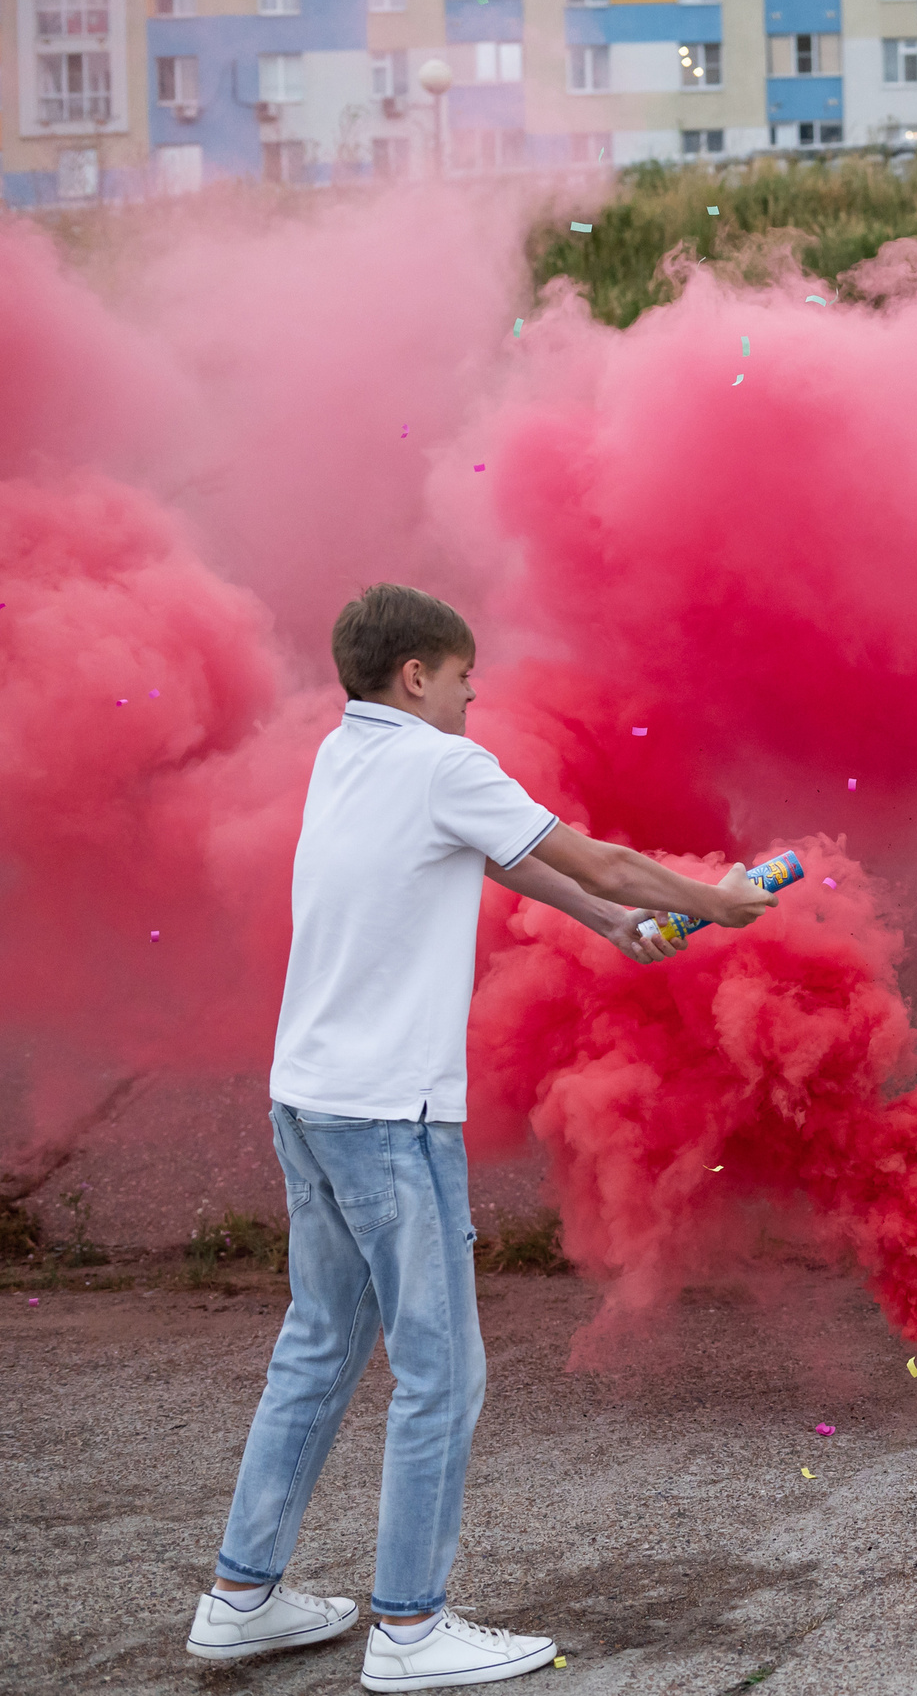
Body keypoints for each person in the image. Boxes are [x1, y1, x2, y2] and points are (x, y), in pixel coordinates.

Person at [186, 584, 775, 1689]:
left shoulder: (347, 757)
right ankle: (409, 1628)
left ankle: (241, 1596)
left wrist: (608, 924)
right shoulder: (441, 762)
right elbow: (590, 854)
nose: (474, 691)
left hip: (308, 1102)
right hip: (388, 1120)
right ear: (418, 675)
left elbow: (501, 855)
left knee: (318, 1346)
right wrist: (713, 895)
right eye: (464, 675)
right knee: (441, 1372)